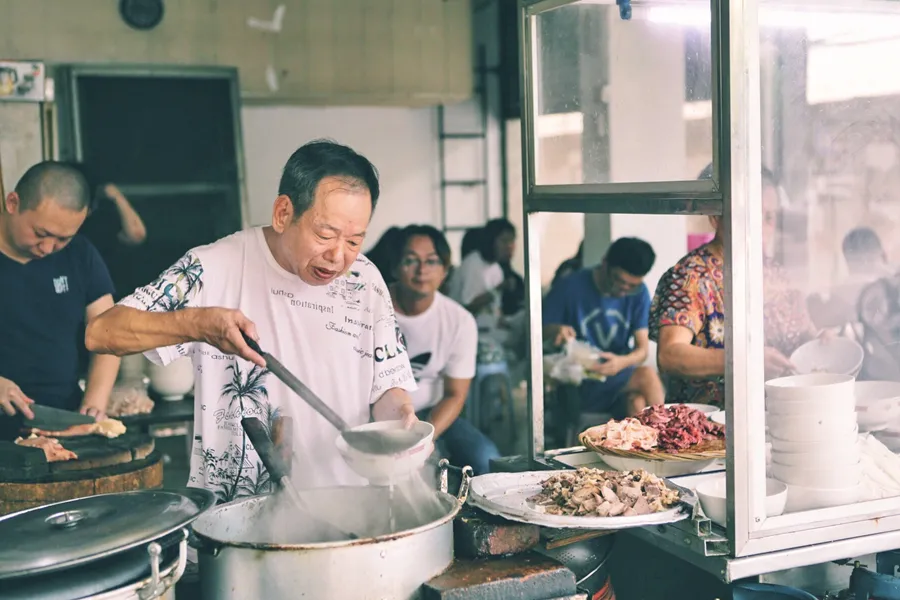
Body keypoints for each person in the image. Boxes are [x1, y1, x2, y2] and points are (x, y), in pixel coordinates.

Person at [86, 140, 419, 501]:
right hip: (239, 518)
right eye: (325, 235)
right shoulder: (212, 267)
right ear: (282, 213)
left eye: (354, 241)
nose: (339, 256)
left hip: (345, 504)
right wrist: (195, 324)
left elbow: (386, 387)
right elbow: (101, 332)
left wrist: (401, 419)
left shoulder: (365, 280)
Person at [650, 166, 823, 407]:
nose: (763, 227)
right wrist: (746, 360)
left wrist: (821, 343)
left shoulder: (776, 273)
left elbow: (803, 335)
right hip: (708, 428)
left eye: (770, 217)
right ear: (715, 217)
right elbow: (670, 355)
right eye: (752, 215)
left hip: (779, 412)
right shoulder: (690, 277)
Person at [0, 161, 120, 421]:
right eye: (40, 233)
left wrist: (94, 405)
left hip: (62, 417)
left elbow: (110, 332)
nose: (48, 247)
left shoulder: (81, 254)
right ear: (13, 203)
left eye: (63, 239)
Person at [390, 225, 500, 475]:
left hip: (431, 411)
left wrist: (422, 438)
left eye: (432, 261)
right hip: (375, 414)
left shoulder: (459, 321)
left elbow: (455, 394)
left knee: (487, 458)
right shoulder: (371, 308)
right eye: (411, 260)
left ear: (445, 271)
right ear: (395, 267)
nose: (422, 270)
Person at [542, 237, 664, 417]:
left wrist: (621, 362)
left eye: (632, 286)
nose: (624, 289)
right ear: (605, 263)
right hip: (579, 379)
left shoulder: (640, 293)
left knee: (637, 402)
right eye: (619, 280)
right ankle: (671, 438)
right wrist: (556, 330)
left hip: (618, 376)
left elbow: (642, 350)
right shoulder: (569, 286)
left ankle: (647, 443)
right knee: (646, 375)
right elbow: (537, 333)